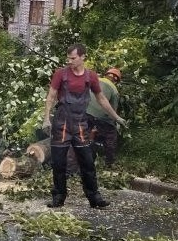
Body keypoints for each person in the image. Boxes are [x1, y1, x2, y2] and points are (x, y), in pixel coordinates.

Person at [43, 45, 126, 209]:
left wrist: (116, 117)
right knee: (59, 163)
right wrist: (46, 118)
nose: (70, 61)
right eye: (68, 58)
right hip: (62, 123)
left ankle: (94, 198)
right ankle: (58, 197)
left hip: (81, 123)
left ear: (82, 57)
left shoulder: (91, 77)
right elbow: (51, 96)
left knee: (87, 162)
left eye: (73, 58)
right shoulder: (61, 74)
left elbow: (102, 99)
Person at [86, 67, 123, 167]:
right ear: (116, 81)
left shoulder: (94, 81)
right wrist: (115, 123)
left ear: (106, 75)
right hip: (102, 116)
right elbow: (112, 111)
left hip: (85, 113)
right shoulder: (114, 90)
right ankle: (110, 163)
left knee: (83, 137)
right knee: (111, 136)